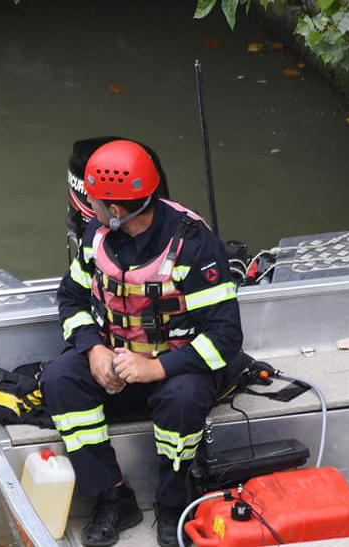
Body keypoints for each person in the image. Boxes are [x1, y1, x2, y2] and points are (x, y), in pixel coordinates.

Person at [39, 140, 245, 546]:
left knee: (183, 398)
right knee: (61, 378)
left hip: (178, 368)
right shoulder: (95, 239)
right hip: (116, 362)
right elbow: (72, 299)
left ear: (115, 210)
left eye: (94, 201)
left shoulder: (194, 246)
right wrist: (93, 348)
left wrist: (157, 367)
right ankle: (113, 496)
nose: (90, 208)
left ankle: (173, 504)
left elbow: (225, 336)